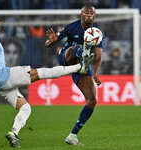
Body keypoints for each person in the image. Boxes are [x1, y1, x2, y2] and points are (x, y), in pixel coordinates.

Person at [0, 11, 94, 148]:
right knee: (44, 72)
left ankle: (13, 133)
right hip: (4, 76)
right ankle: (79, 67)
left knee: (26, 108)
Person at [45, 5, 104, 146]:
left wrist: (95, 73)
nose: (89, 15)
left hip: (81, 68)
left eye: (92, 13)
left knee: (92, 99)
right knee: (76, 48)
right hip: (67, 57)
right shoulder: (72, 27)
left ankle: (72, 136)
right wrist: (51, 42)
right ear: (81, 14)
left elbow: (99, 55)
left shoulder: (96, 32)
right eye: (86, 12)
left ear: (94, 16)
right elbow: (49, 42)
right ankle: (83, 57)